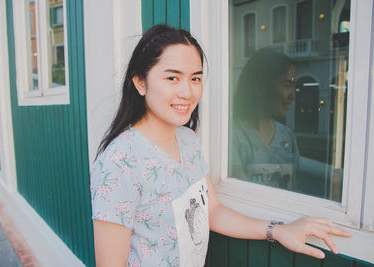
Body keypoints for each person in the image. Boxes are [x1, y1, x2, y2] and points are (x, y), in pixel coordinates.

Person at [90, 25, 351, 267]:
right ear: (140, 83)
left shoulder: (188, 140)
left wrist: (278, 230)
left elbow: (212, 211)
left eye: (195, 78)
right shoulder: (119, 163)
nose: (188, 92)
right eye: (172, 78)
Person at [230, 48, 299, 190]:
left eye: (293, 87)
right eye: (287, 85)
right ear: (260, 87)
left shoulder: (288, 137)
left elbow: (294, 191)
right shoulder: (233, 137)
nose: (292, 95)